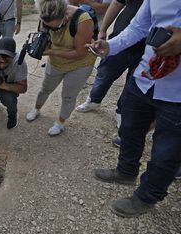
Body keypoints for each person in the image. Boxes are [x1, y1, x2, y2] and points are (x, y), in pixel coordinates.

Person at [88, 0, 181, 217]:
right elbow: (138, 26)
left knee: (166, 152)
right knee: (129, 129)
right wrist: (111, 46)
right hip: (144, 77)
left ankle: (147, 197)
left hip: (177, 93)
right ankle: (126, 172)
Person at [26, 0, 97, 136]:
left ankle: (60, 123)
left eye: (56, 27)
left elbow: (80, 53)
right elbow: (43, 35)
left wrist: (52, 52)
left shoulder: (83, 20)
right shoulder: (45, 14)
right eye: (49, 27)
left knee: (68, 97)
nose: (54, 30)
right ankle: (36, 109)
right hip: (56, 62)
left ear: (65, 15)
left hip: (80, 65)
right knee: (45, 89)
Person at [76, 0, 145, 129]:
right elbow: (117, 4)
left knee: (132, 84)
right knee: (104, 74)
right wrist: (103, 30)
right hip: (119, 41)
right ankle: (94, 100)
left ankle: (121, 112)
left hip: (146, 51)